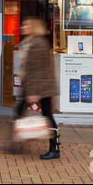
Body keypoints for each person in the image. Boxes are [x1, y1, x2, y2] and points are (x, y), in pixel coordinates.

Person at [15, 17, 60, 160]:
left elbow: (38, 70)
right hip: (32, 85)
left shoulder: (38, 44)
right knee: (18, 112)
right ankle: (17, 143)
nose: (23, 27)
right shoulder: (29, 42)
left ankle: (54, 148)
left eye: (26, 25)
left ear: (33, 27)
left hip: (40, 87)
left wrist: (33, 92)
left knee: (47, 116)